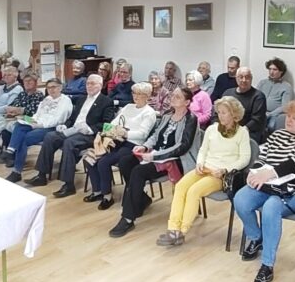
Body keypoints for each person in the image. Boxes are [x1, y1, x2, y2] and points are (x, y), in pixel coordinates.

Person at [235, 101, 295, 282]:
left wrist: (267, 174)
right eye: (288, 116)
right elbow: (262, 156)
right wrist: (254, 173)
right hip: (270, 186)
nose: (289, 120)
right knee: (241, 199)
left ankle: (267, 265)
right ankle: (256, 237)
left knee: (271, 207)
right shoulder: (278, 135)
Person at [157, 96, 250, 247]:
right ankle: (173, 228)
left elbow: (244, 159)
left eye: (224, 112)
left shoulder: (242, 132)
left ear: (234, 114)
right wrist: (199, 163)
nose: (220, 115)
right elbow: (203, 149)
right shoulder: (212, 129)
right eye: (218, 112)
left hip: (220, 174)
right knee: (180, 186)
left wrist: (225, 169)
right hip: (204, 168)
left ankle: (182, 231)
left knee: (194, 191)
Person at [108, 88, 198, 238]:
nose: (173, 98)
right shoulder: (167, 115)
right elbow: (156, 136)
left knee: (138, 172)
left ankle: (128, 217)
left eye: (177, 96)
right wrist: (145, 146)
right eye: (173, 95)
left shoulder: (191, 119)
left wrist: (155, 156)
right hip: (156, 154)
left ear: (187, 102)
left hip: (175, 160)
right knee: (125, 162)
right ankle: (140, 199)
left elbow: (182, 146)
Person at [27, 74, 116, 194]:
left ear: (100, 85)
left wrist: (90, 129)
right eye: (88, 83)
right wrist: (66, 125)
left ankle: (68, 184)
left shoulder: (106, 101)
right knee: (50, 136)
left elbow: (106, 123)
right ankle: (41, 175)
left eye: (93, 83)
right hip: (74, 129)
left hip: (90, 134)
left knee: (69, 143)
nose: (89, 86)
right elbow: (72, 118)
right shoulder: (81, 99)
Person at [83, 83, 157, 209]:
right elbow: (113, 123)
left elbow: (142, 134)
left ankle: (107, 196)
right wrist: (112, 132)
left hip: (132, 145)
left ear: (147, 96)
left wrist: (125, 133)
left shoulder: (149, 112)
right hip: (116, 139)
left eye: (140, 94)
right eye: (134, 93)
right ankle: (98, 191)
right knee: (89, 157)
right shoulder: (128, 107)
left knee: (103, 162)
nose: (136, 96)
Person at [0, 79, 73, 182]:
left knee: (24, 139)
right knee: (19, 124)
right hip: (37, 123)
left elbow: (58, 120)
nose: (51, 90)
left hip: (50, 128)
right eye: (49, 87)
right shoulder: (47, 99)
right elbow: (37, 115)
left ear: (60, 87)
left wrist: (39, 125)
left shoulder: (65, 101)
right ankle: (10, 150)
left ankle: (16, 171)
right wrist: (28, 119)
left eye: (54, 87)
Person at [218, 67, 267, 143]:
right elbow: (217, 112)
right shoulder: (227, 93)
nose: (244, 80)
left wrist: (240, 132)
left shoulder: (258, 96)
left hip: (248, 131)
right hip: (228, 129)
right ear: (236, 78)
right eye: (241, 77)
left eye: (247, 77)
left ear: (251, 79)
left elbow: (257, 120)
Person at [258, 58, 293, 132]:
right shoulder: (262, 83)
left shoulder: (286, 86)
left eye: (275, 69)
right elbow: (254, 98)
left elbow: (285, 107)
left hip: (274, 115)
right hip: (259, 112)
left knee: (271, 126)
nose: (271, 72)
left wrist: (270, 114)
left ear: (281, 71)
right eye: (270, 69)